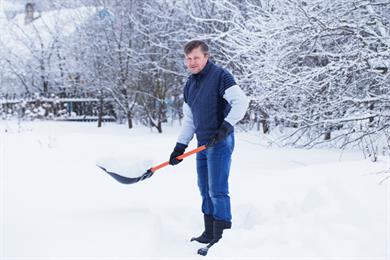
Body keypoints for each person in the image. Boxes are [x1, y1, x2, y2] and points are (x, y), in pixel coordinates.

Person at [169, 40, 249, 247]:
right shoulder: (190, 84)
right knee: (204, 188)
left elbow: (241, 102)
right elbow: (189, 119)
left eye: (196, 57)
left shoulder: (221, 76)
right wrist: (180, 146)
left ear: (206, 57)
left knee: (217, 189)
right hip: (202, 144)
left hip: (220, 142)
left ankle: (222, 236)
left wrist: (225, 126)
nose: (192, 62)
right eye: (188, 58)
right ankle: (209, 231)